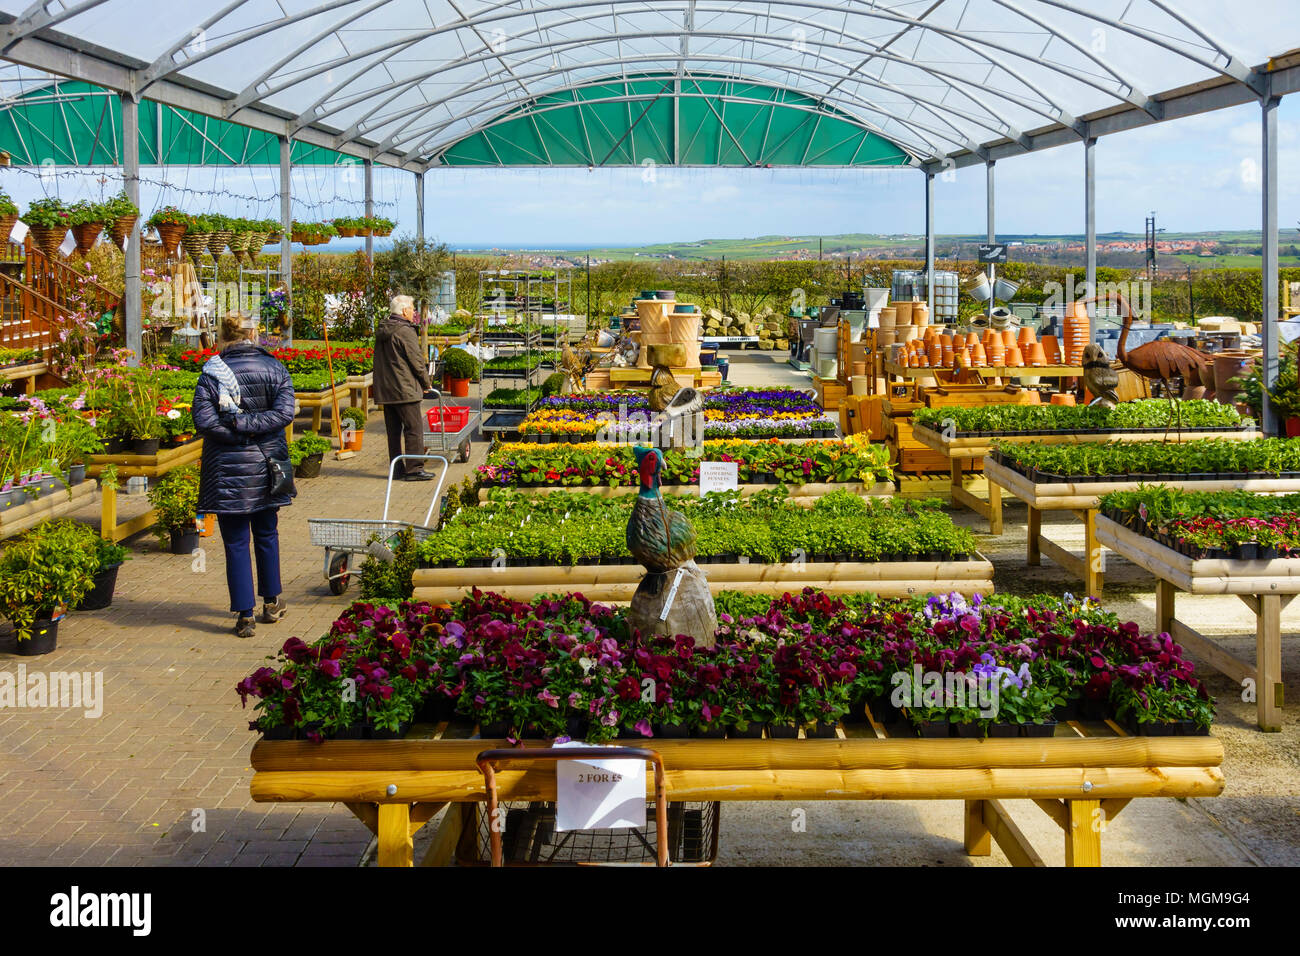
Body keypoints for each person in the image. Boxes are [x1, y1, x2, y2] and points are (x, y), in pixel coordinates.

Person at [192, 313, 297, 638]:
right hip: (268, 465)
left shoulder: (212, 371)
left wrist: (238, 427)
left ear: (224, 335)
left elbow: (204, 420)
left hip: (227, 469)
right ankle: (272, 601)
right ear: (253, 333)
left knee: (235, 542)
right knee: (267, 534)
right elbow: (284, 413)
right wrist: (254, 429)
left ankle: (244, 615)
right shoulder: (275, 367)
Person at [373, 293, 435, 480]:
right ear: (404, 310)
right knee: (413, 428)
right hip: (404, 388)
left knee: (393, 432)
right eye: (412, 309)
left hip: (386, 389)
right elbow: (416, 361)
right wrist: (426, 383)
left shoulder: (384, 328)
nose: (414, 312)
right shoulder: (404, 331)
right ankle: (415, 469)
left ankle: (397, 469)